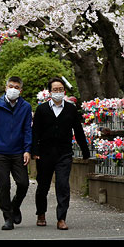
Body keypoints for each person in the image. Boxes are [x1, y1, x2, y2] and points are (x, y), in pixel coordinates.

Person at [31, 77, 90, 230]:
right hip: (45, 153)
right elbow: (35, 131)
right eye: (55, 90)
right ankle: (41, 213)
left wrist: (85, 151)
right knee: (43, 186)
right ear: (49, 92)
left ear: (64, 91)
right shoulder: (42, 109)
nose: (58, 92)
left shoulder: (70, 109)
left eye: (60, 89)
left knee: (63, 185)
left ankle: (61, 218)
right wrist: (34, 151)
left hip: (64, 153)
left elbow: (78, 131)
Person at [0, 76, 32, 231]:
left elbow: (27, 130)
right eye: (11, 86)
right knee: (3, 185)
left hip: (18, 152)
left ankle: (15, 205)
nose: (13, 89)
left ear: (21, 90)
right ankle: (8, 218)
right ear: (5, 88)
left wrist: (27, 150)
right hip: (0, 152)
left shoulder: (25, 107)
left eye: (16, 87)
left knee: (23, 183)